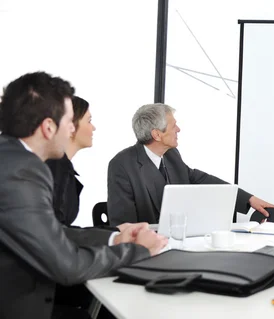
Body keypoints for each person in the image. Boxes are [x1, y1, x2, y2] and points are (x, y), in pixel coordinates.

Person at [0, 72, 167, 319]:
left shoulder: (11, 159)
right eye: (69, 120)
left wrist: (113, 239)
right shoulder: (22, 171)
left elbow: (54, 231)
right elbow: (66, 265)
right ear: (48, 127)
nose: (71, 128)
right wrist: (138, 251)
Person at [107, 103, 274, 226]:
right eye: (174, 126)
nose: (178, 129)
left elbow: (202, 180)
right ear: (157, 134)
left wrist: (249, 199)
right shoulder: (122, 165)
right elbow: (123, 227)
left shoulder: (171, 155)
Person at [46, 96, 95, 225]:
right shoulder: (55, 168)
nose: (93, 128)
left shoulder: (60, 166)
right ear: (71, 126)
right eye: (89, 121)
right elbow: (56, 230)